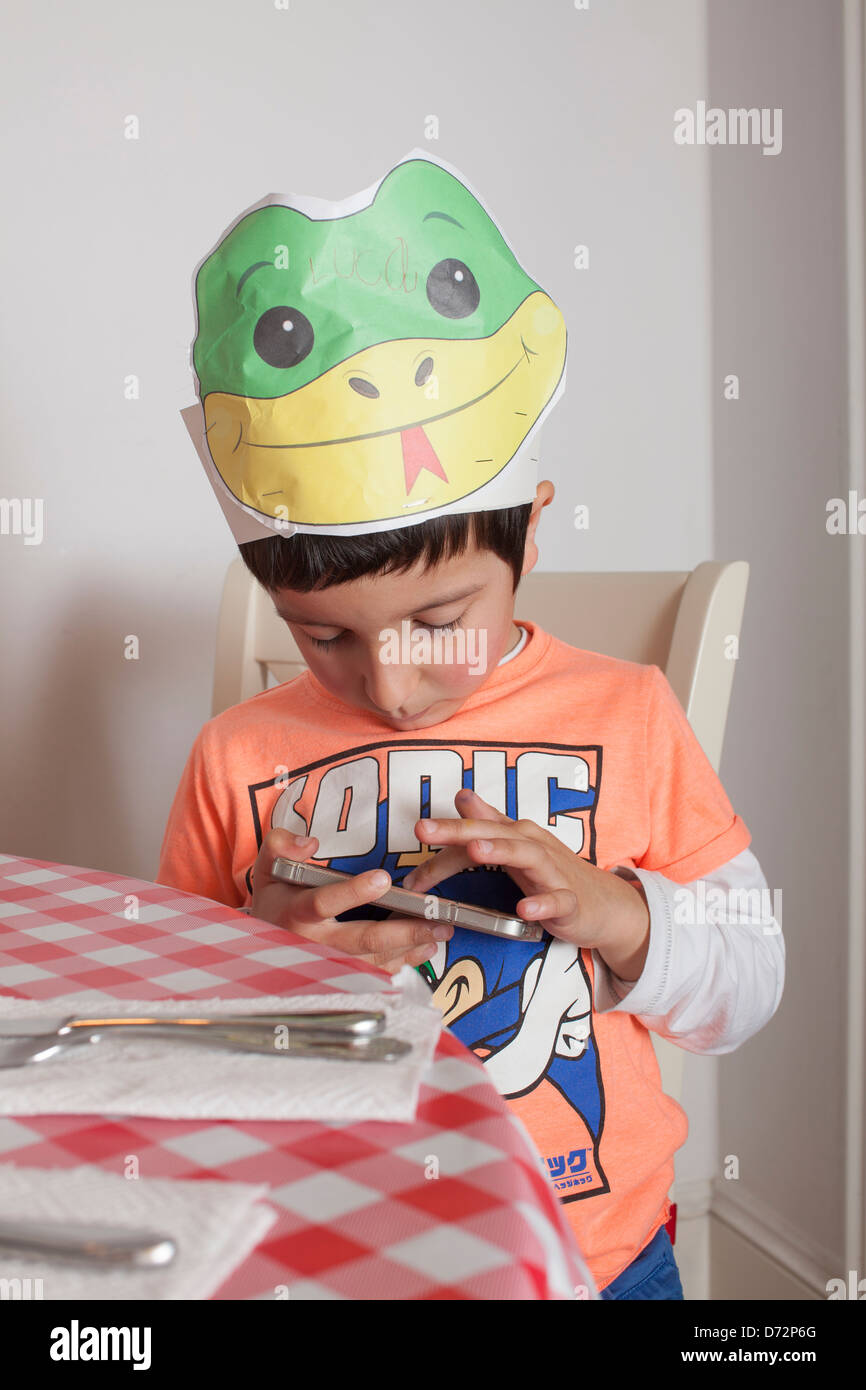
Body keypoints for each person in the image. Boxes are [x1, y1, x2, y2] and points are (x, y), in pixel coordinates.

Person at [157, 152, 785, 1298]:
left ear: (529, 535)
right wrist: (256, 962)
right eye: (323, 636)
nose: (389, 689)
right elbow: (167, 1045)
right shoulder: (233, 756)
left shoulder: (629, 712)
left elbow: (750, 976)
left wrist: (622, 915)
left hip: (599, 1259)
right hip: (338, 1250)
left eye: (438, 620)